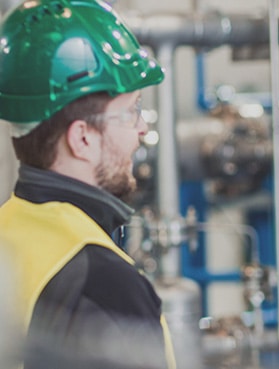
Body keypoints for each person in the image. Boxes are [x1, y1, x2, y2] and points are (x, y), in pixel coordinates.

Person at [0, 0, 176, 368]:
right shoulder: (104, 283)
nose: (142, 129)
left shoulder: (8, 231)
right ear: (81, 138)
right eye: (131, 112)